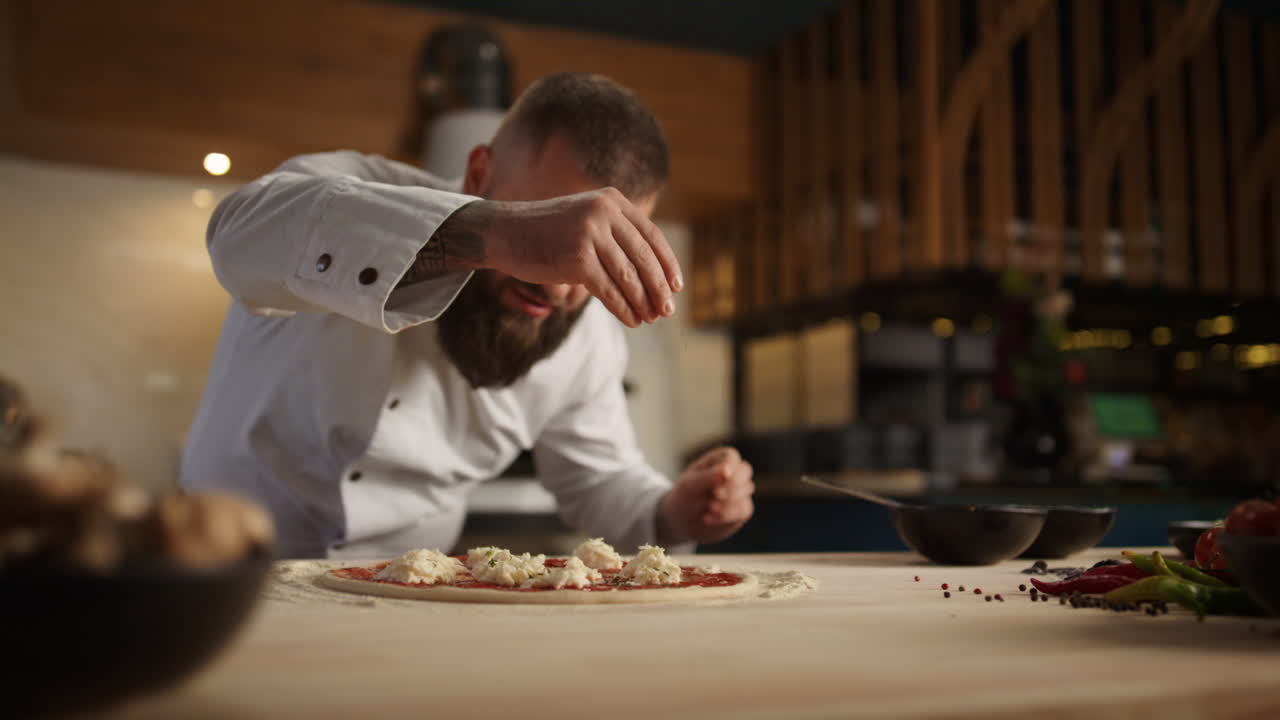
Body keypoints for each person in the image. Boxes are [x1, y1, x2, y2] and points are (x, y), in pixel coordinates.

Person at [181, 72, 755, 558]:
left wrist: (675, 513)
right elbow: (236, 239)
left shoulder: (591, 339)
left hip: (410, 597)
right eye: (555, 229)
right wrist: (500, 234)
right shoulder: (353, 187)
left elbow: (600, 478)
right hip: (221, 561)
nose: (561, 283)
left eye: (596, 250)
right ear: (479, 174)